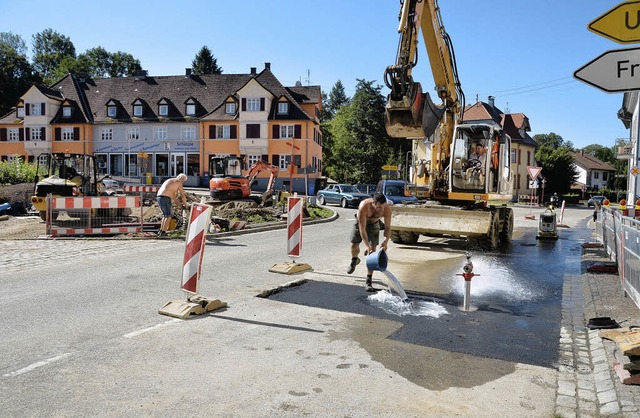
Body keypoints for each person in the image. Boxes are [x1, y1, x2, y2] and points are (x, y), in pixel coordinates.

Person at [347, 192, 392, 292]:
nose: (381, 209)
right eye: (379, 207)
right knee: (354, 246)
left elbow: (388, 227)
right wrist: (366, 245)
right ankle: (354, 260)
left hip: (374, 224)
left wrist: (386, 240)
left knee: (372, 252)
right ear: (373, 203)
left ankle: (368, 281)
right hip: (361, 223)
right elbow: (362, 228)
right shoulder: (364, 206)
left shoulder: (387, 209)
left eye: (383, 206)